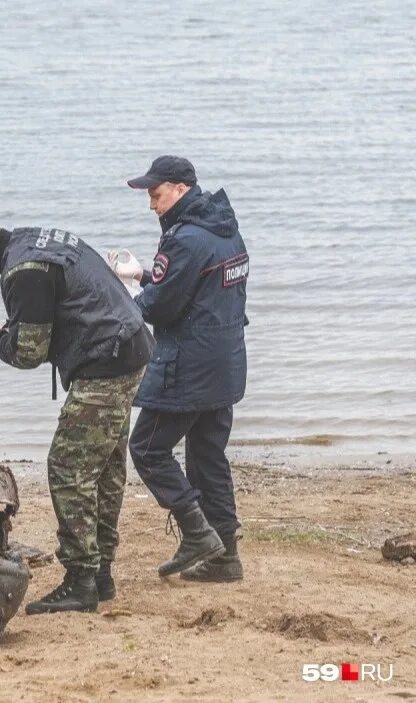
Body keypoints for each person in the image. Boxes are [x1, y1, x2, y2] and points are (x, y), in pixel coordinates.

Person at [0, 207, 153, 613]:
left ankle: (80, 580)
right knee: (105, 466)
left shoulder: (23, 272)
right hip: (130, 347)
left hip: (105, 360)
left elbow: (28, 352)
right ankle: (100, 573)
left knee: (67, 468)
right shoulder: (36, 239)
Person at [112, 155, 249, 582]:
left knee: (147, 449)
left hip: (188, 365)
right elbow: (197, 291)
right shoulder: (225, 229)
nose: (152, 205)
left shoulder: (184, 240)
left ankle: (196, 532)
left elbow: (160, 308)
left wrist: (123, 296)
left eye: (155, 195)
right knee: (207, 456)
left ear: (179, 189)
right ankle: (225, 557)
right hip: (225, 360)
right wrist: (145, 275)